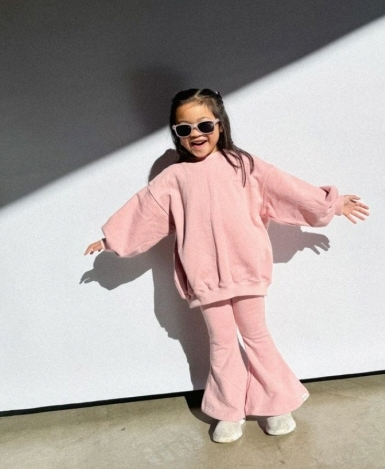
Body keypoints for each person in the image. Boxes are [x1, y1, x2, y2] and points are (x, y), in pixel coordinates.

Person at [84, 88, 369, 443]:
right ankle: (228, 410)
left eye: (204, 125)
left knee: (256, 336)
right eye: (184, 129)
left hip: (247, 268)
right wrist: (112, 240)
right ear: (176, 134)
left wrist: (330, 205)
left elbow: (286, 189)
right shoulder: (173, 178)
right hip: (204, 276)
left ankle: (276, 403)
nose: (196, 134)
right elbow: (145, 212)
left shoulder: (244, 165)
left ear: (220, 125)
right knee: (220, 342)